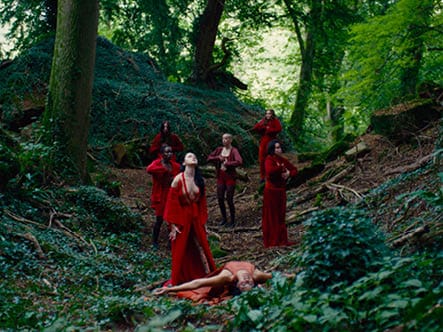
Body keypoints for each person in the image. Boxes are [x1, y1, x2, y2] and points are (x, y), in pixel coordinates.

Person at [163, 152, 216, 286]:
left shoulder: (199, 180)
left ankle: (208, 275)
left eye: (195, 156)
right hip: (182, 217)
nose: (193, 157)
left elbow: (202, 203)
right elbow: (171, 202)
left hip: (196, 216)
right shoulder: (178, 179)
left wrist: (203, 222)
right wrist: (173, 224)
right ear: (184, 163)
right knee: (181, 247)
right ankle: (178, 279)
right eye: (189, 156)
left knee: (202, 245)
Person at [153, 261, 272, 299]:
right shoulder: (257, 275)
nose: (246, 280)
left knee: (199, 292)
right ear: (254, 282)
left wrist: (168, 289)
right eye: (249, 283)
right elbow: (279, 276)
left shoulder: (227, 277)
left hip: (224, 277)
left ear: (237, 284)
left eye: (244, 284)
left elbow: (198, 283)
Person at [262, 139, 298, 248]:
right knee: (272, 216)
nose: (279, 149)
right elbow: (270, 171)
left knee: (281, 215)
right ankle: (273, 240)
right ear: (272, 149)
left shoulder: (282, 159)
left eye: (280, 147)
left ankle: (282, 239)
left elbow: (294, 170)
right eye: (277, 147)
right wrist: (282, 168)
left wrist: (288, 174)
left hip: (281, 191)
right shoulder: (269, 159)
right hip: (271, 192)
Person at [146, 144, 181, 249]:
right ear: (162, 154)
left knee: (172, 218)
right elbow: (149, 169)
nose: (169, 154)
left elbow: (180, 172)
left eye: (171, 152)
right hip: (160, 194)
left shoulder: (174, 165)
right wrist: (163, 170)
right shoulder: (157, 163)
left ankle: (171, 242)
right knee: (159, 218)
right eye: (166, 152)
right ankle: (154, 241)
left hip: (170, 194)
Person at [207, 133, 243, 227]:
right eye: (223, 139)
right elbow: (209, 158)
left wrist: (228, 164)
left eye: (226, 139)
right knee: (220, 198)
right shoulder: (219, 150)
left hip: (230, 178)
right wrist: (217, 157)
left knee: (229, 199)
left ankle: (232, 220)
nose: (224, 140)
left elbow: (239, 161)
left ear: (231, 140)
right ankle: (224, 219)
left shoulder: (234, 150)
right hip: (220, 177)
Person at [252, 109, 282, 181]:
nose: (268, 115)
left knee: (271, 158)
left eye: (269, 114)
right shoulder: (263, 121)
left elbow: (279, 129)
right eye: (267, 114)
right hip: (264, 141)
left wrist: (269, 129)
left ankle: (272, 175)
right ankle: (262, 177)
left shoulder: (275, 121)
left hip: (272, 141)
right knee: (262, 159)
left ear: (272, 114)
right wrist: (262, 127)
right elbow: (255, 128)